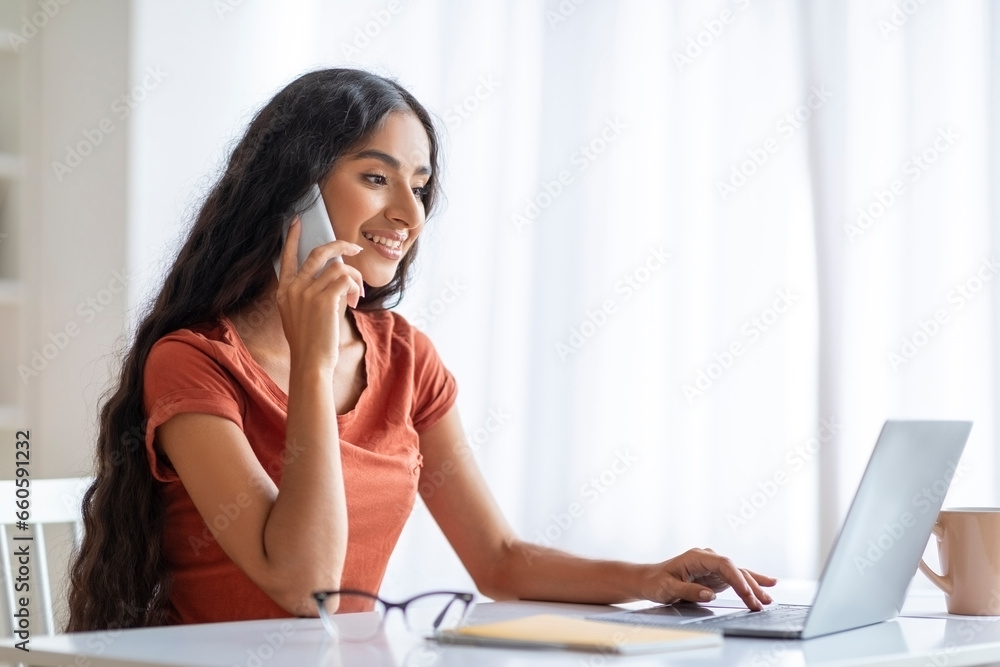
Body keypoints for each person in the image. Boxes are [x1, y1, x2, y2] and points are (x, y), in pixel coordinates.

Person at [67, 68, 775, 630]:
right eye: (377, 178)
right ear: (294, 193)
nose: (409, 214)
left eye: (420, 184)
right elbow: (306, 584)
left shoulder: (406, 358)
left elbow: (498, 560)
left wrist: (650, 577)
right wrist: (313, 363)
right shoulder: (193, 362)